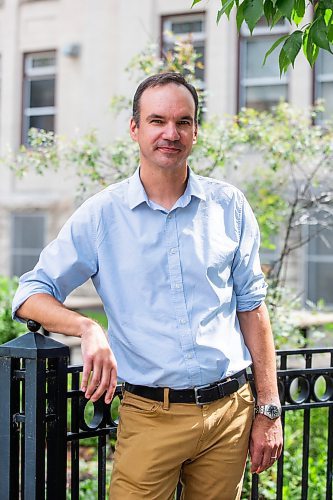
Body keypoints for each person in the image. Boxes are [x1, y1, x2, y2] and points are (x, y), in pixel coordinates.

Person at [13, 72, 283, 499]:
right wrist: (88, 329)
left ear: (196, 130)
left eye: (183, 122)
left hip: (230, 414)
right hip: (151, 416)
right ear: (135, 129)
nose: (170, 133)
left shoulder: (229, 206)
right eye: (157, 121)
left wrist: (269, 410)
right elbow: (30, 293)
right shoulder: (102, 215)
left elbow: (252, 308)